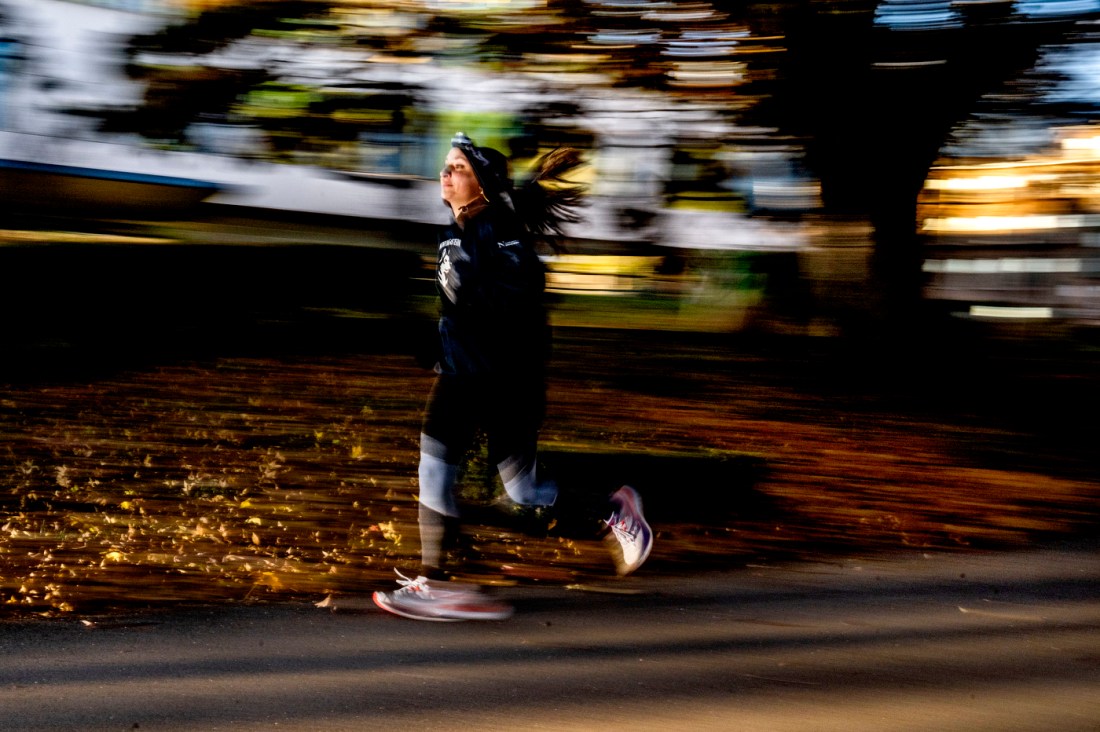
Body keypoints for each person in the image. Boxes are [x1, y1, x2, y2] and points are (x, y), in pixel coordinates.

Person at [373, 132, 653, 621]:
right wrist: (431, 347)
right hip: (463, 375)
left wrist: (472, 309)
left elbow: (517, 301)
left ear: (482, 184)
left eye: (458, 167)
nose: (446, 173)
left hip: (504, 381)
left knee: (511, 490)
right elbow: (457, 312)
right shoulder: (453, 233)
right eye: (446, 165)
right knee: (453, 477)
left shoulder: (501, 232)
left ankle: (614, 511)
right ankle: (440, 582)